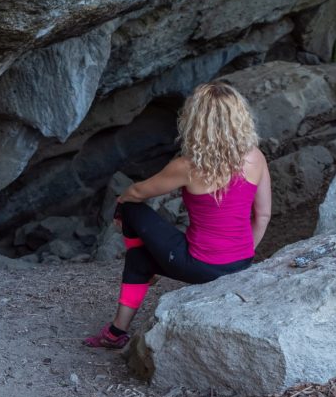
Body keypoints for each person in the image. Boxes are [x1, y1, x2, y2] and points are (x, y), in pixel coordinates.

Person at [83, 81, 272, 349]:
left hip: (199, 265)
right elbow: (263, 215)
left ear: (195, 120)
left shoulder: (188, 166)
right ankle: (116, 331)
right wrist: (239, 259)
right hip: (241, 261)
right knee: (141, 258)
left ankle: (122, 318)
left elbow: (138, 192)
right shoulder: (256, 158)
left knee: (131, 210)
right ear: (240, 117)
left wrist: (121, 201)